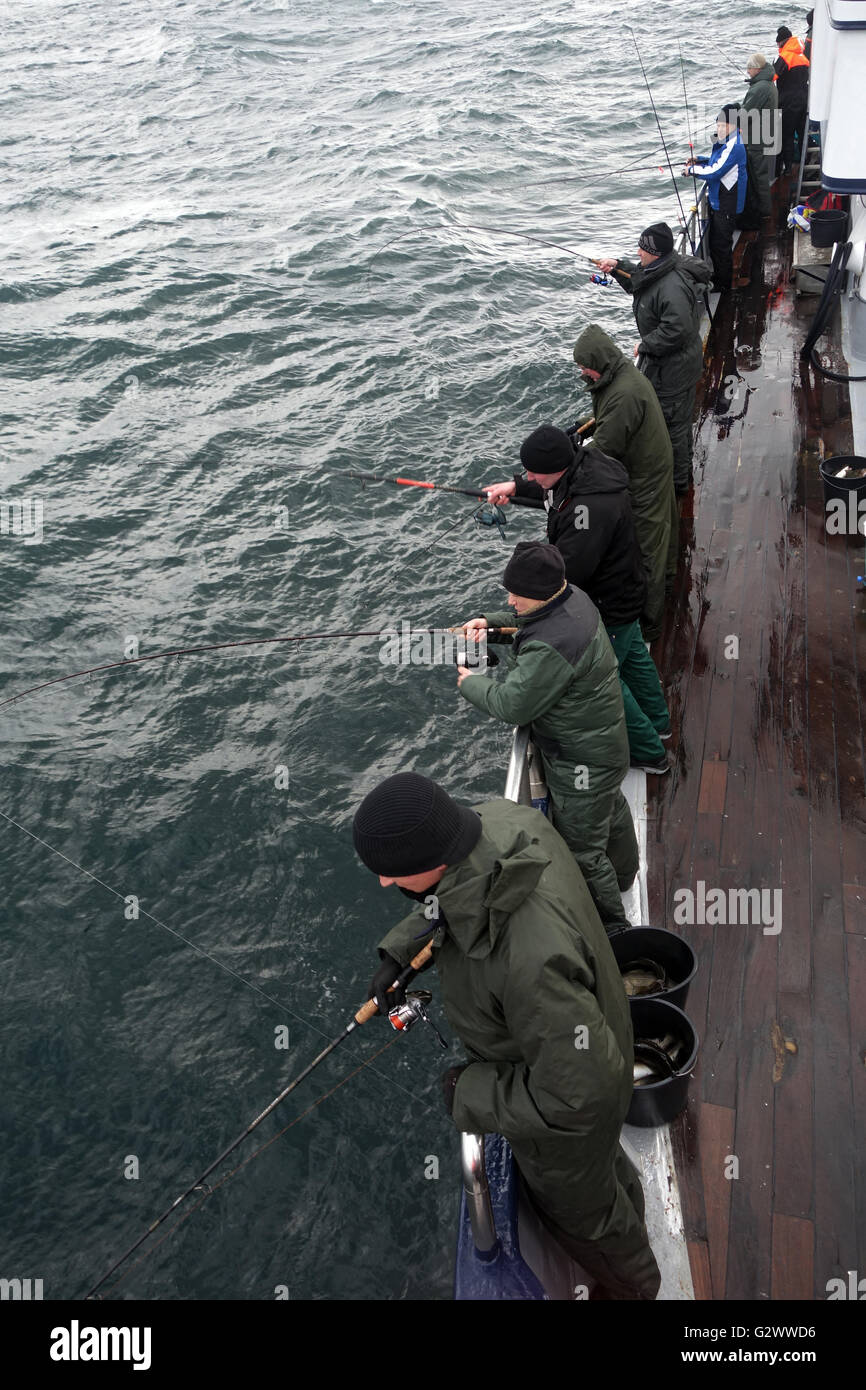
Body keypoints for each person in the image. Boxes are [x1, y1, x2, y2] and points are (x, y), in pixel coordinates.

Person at [353, 770, 661, 1300]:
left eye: (388, 873)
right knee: (605, 1171)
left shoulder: (529, 961)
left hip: (569, 1108)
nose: (383, 883)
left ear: (427, 862)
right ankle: (626, 1205)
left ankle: (637, 1288)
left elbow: (582, 1095)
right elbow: (463, 897)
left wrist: (470, 1092)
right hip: (592, 1028)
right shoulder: (502, 817)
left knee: (588, 1218)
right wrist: (400, 954)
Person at [456, 539, 639, 930]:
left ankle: (613, 929)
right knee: (613, 810)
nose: (510, 599)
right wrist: (489, 624)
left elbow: (513, 705)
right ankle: (626, 875)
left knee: (583, 850)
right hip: (607, 749)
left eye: (515, 594)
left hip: (579, 763)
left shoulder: (553, 646)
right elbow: (533, 621)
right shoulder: (574, 599)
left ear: (539, 593)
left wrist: (468, 683)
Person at [482, 422, 671, 766]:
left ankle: (649, 753)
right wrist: (516, 487)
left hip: (607, 605)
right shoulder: (586, 467)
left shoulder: (589, 510)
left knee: (608, 684)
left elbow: (569, 570)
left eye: (532, 472)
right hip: (626, 592)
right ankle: (660, 725)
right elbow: (555, 493)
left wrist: (527, 600)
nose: (528, 475)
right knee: (636, 663)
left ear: (556, 467)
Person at [572, 325, 679, 629]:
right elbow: (609, 418)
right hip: (654, 463)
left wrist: (571, 462)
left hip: (645, 476)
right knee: (663, 530)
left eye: (584, 367)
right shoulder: (621, 376)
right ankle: (669, 581)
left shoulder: (624, 394)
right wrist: (583, 426)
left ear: (598, 362)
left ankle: (650, 621)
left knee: (647, 547)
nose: (582, 373)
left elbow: (606, 448)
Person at [594, 222, 712, 493]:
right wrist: (616, 267)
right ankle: (677, 474)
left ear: (655, 253)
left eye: (642, 249)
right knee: (676, 423)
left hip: (674, 371)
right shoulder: (660, 268)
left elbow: (678, 329)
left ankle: (678, 485)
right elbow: (640, 278)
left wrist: (646, 345)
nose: (638, 252)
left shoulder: (671, 287)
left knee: (674, 428)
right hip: (670, 366)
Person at [684, 107, 748, 293]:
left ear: (733, 126)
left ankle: (724, 284)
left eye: (723, 125)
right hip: (720, 201)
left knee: (722, 245)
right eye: (718, 125)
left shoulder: (734, 145)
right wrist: (700, 160)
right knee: (716, 242)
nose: (719, 129)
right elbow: (716, 162)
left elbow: (715, 171)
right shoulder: (727, 142)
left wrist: (691, 171)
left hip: (727, 203)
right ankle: (719, 276)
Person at [740, 53, 779, 218]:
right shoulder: (768, 84)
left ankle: (764, 212)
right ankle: (763, 209)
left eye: (749, 68)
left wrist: (730, 119)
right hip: (764, 134)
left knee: (759, 176)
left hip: (757, 138)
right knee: (759, 174)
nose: (748, 72)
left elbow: (746, 114)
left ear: (756, 68)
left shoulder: (760, 88)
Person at [773, 25, 809, 174]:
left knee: (786, 135)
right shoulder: (803, 57)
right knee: (802, 134)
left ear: (781, 42)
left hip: (788, 103)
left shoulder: (785, 57)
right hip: (803, 100)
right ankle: (804, 163)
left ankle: (787, 168)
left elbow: (773, 76)